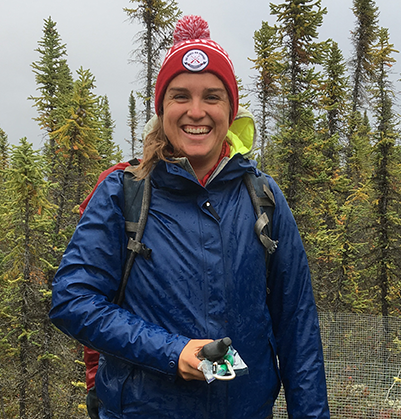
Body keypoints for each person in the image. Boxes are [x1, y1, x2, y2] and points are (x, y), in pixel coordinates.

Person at [49, 15, 329, 419]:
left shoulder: (262, 196)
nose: (196, 111)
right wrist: (172, 351)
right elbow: (72, 301)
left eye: (212, 97)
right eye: (180, 96)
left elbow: (298, 326)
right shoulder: (122, 191)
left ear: (231, 110)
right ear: (162, 108)